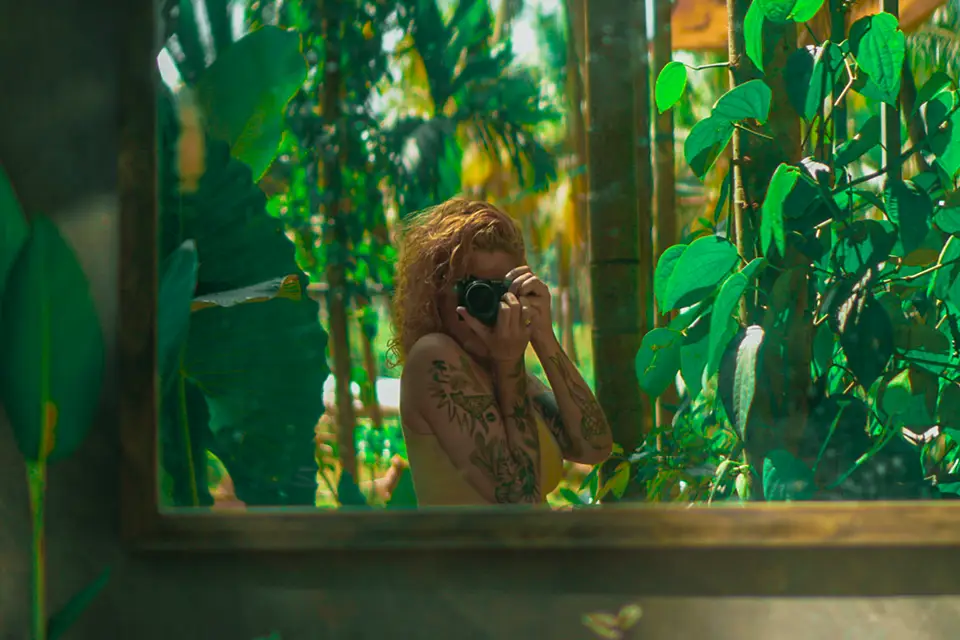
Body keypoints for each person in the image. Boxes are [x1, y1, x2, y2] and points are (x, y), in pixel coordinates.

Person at [387, 198, 613, 507]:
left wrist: (543, 336)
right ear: (435, 291)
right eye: (471, 287)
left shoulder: (497, 367)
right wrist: (509, 363)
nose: (486, 302)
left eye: (499, 290)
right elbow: (520, 499)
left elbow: (595, 446)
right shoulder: (434, 358)